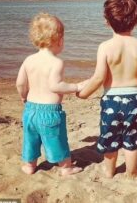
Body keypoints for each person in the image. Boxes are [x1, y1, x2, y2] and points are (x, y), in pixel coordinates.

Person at [77, 0, 137, 178]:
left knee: (110, 137)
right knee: (132, 139)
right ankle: (132, 171)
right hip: (135, 99)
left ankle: (109, 171)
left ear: (106, 21)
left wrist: (83, 93)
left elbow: (98, 78)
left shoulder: (105, 47)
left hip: (111, 101)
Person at [16, 12, 85, 175]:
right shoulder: (56, 62)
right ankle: (66, 167)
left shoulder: (28, 60)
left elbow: (20, 83)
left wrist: (23, 95)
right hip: (50, 112)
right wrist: (76, 86)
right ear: (59, 41)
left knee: (30, 140)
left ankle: (29, 166)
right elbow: (56, 86)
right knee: (57, 140)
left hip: (30, 110)